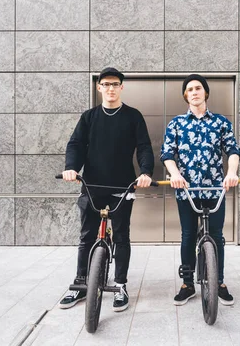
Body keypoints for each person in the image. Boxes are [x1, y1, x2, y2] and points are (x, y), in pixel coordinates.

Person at [58, 67, 154, 312]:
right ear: (99, 87)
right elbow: (76, 144)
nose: (110, 88)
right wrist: (71, 167)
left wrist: (145, 173)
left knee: (121, 237)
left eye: (115, 84)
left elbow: (143, 147)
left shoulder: (133, 116)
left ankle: (120, 285)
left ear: (121, 87)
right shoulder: (89, 117)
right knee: (86, 237)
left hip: (123, 186)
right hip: (92, 186)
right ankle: (80, 283)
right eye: (106, 84)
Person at [160, 74, 240, 306]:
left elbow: (233, 150)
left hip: (215, 189)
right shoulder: (176, 124)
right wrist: (175, 174)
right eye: (189, 90)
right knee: (187, 235)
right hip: (187, 191)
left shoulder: (221, 122)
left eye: (198, 88)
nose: (194, 92)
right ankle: (187, 284)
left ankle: (220, 282)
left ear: (205, 93)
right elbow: (167, 154)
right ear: (186, 95)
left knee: (217, 237)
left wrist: (232, 172)